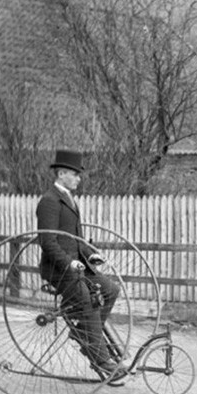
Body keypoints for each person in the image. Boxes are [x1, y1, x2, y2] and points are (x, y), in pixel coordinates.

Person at [36, 150, 125, 380]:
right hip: (59, 270)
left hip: (78, 267)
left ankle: (85, 333)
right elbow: (47, 242)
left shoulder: (69, 200)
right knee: (88, 299)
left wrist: (91, 255)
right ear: (62, 173)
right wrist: (70, 263)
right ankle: (101, 358)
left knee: (110, 289)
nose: (79, 178)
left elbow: (75, 240)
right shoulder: (49, 201)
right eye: (75, 174)